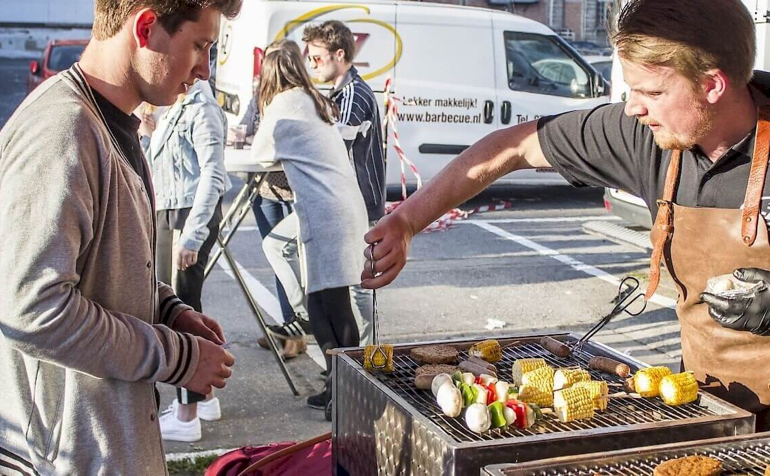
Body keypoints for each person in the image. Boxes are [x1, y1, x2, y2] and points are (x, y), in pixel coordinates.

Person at [361, 0, 770, 430]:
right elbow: (511, 147)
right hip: (710, 410)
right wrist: (407, 221)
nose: (633, 108)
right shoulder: (642, 135)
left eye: (651, 92)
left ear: (712, 85)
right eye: (631, 90)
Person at [0, 0, 240, 473]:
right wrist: (178, 357)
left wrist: (167, 309)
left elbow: (98, 271)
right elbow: (31, 309)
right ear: (147, 26)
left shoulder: (107, 122)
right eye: (199, 46)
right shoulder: (63, 130)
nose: (204, 71)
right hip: (70, 457)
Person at [251, 41, 367, 420]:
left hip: (324, 214)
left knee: (325, 306)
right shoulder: (313, 99)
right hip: (344, 207)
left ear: (269, 77)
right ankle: (339, 387)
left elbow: (260, 155)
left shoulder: (282, 106)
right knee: (331, 303)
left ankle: (345, 393)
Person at [140, 79, 230, 442]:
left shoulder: (201, 106)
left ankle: (187, 413)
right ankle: (202, 399)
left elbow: (213, 173)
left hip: (185, 216)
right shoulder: (177, 105)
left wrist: (192, 234)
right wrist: (150, 134)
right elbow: (167, 166)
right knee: (183, 306)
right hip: (173, 212)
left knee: (180, 310)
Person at [302, 20, 386, 346]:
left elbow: (337, 141)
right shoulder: (341, 92)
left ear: (340, 54)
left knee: (361, 288)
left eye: (317, 57)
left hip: (360, 203)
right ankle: (362, 362)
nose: (312, 65)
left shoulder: (355, 93)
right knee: (352, 286)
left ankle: (369, 362)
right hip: (351, 202)